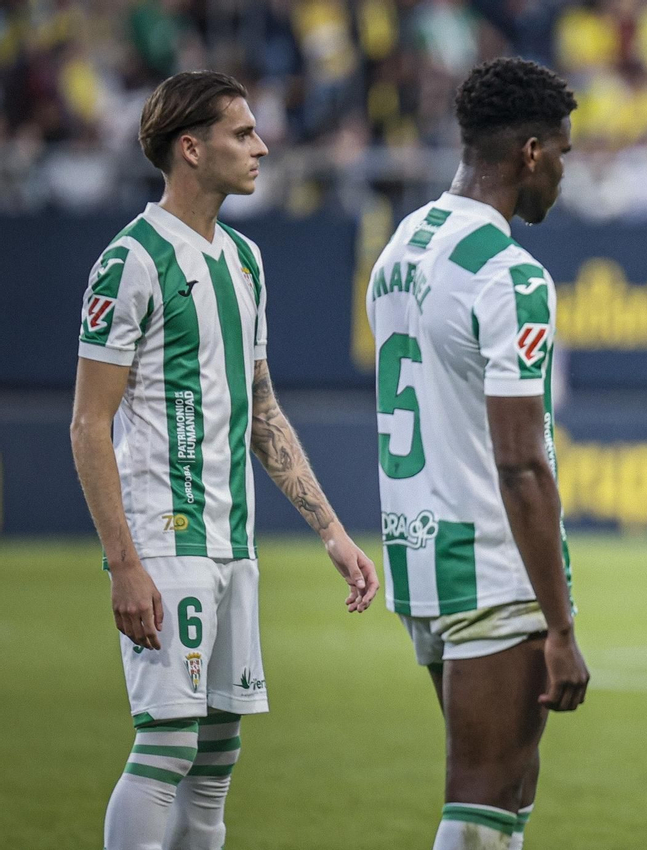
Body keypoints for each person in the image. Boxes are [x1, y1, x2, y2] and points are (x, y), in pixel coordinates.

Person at [70, 70, 378, 850]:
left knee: (215, 762)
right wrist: (124, 565)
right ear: (190, 147)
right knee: (165, 746)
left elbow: (263, 411)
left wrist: (334, 534)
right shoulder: (130, 260)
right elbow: (87, 422)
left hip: (232, 544)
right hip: (164, 540)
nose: (262, 146)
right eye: (243, 134)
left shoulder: (244, 260)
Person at [365, 57, 589, 850]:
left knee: (505, 794)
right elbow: (520, 461)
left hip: (420, 556)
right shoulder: (509, 275)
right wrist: (560, 626)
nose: (564, 173)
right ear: (531, 152)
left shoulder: (402, 247)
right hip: (492, 559)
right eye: (562, 153)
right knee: (483, 799)